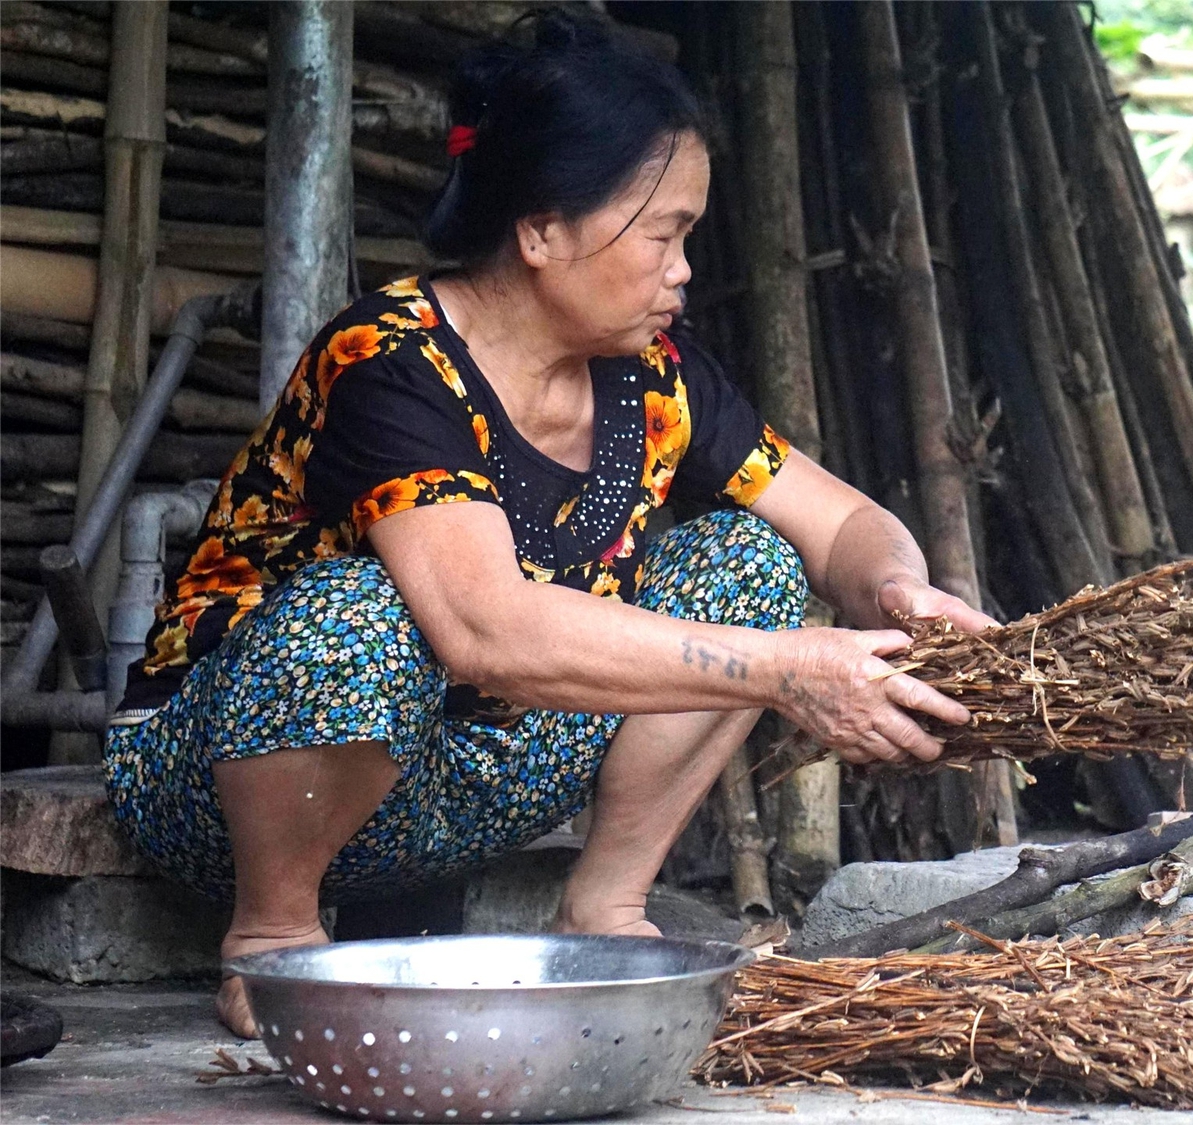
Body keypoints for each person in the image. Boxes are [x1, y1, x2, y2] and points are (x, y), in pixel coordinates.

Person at [101, 11, 991, 1038]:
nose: (683, 269)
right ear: (540, 230)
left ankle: (604, 908)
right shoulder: (388, 362)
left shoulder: (654, 378)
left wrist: (893, 587)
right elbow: (484, 631)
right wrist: (789, 670)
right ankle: (273, 938)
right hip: (215, 787)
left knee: (751, 558)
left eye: (688, 236)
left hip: (470, 782)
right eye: (663, 233)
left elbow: (839, 525)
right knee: (366, 609)